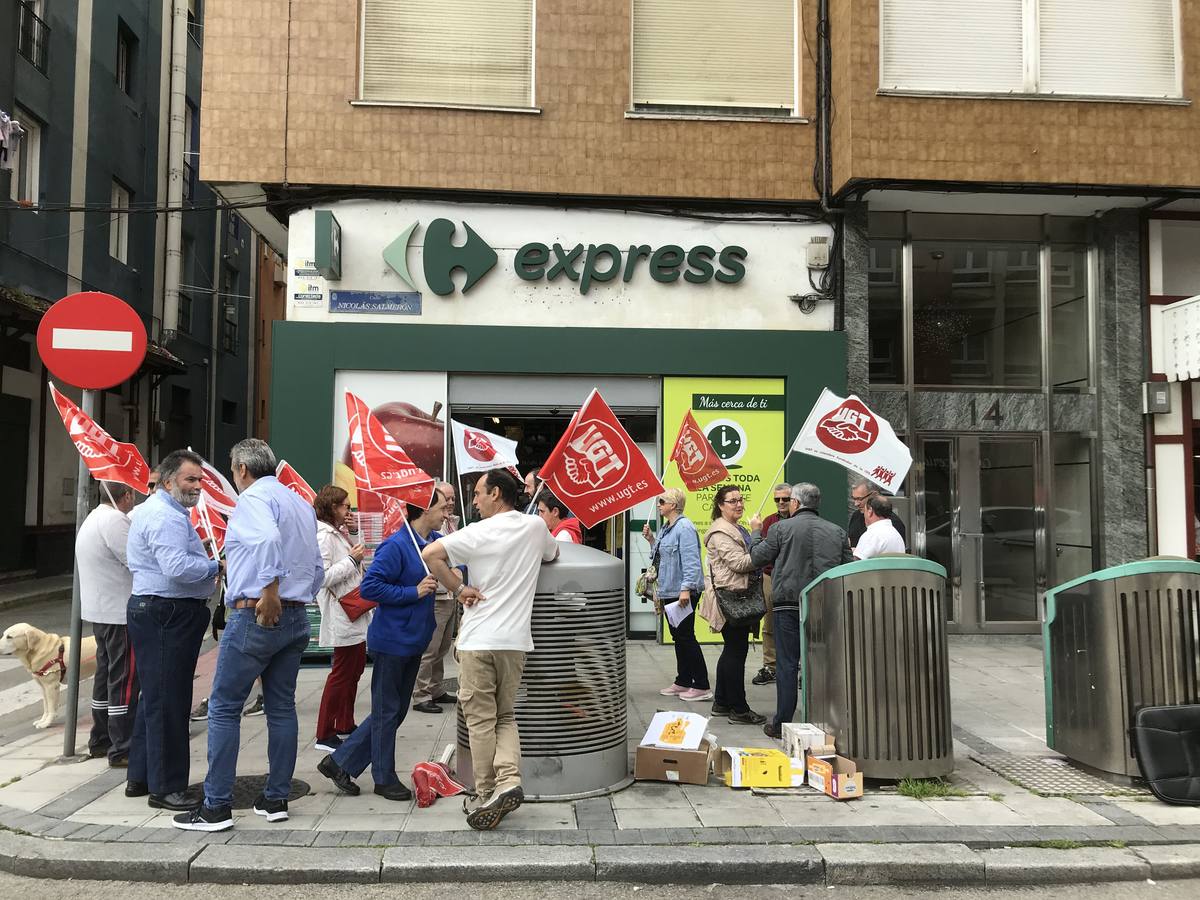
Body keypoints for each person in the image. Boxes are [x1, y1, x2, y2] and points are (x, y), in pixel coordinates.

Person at [174, 439, 323, 832]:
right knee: (281, 707)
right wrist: (293, 595)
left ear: (241, 469)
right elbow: (316, 564)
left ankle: (216, 805)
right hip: (295, 615)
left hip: (257, 613)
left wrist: (270, 591)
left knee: (224, 707)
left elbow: (268, 542)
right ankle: (276, 798)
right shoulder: (298, 502)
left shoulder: (254, 500)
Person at [422, 468, 559, 831]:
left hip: (478, 639)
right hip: (515, 643)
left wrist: (458, 588)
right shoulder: (535, 527)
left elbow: (431, 553)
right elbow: (552, 554)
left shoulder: (478, 532)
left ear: (496, 493)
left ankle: (485, 793)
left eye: (479, 494)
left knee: (481, 720)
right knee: (505, 716)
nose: (475, 502)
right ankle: (510, 781)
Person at [317, 491, 448, 800]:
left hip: (415, 638)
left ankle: (339, 762)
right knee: (388, 711)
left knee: (394, 711)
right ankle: (383, 777)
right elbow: (372, 586)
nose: (447, 512)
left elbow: (454, 565)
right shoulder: (396, 545)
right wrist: (412, 592)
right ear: (424, 510)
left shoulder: (434, 542)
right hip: (392, 641)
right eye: (443, 507)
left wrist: (456, 574)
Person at [125, 450, 221, 812]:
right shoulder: (165, 516)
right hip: (166, 612)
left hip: (160, 610)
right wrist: (215, 565)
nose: (197, 486)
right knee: (170, 700)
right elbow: (177, 567)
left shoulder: (164, 512)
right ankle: (166, 788)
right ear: (168, 481)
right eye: (190, 479)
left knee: (155, 696)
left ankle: (142, 776)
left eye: (199, 480)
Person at [748, 483, 853, 739]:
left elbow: (757, 556)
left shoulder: (780, 528)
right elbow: (848, 567)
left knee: (786, 663)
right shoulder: (837, 532)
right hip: (824, 604)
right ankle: (828, 720)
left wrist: (755, 532)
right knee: (824, 662)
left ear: (795, 503)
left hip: (789, 604)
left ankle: (782, 721)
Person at [76, 481, 136, 766]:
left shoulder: (92, 518)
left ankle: (100, 739)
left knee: (105, 677)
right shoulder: (115, 520)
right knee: (123, 680)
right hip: (119, 612)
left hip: (100, 611)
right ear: (125, 497)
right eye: (132, 495)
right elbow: (136, 559)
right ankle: (122, 746)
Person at [699, 484, 766, 726]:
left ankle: (722, 703)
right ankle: (739, 708)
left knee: (732, 650)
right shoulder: (721, 533)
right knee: (736, 653)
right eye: (732, 501)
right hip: (731, 598)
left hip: (733, 596)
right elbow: (740, 563)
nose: (739, 504)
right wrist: (757, 536)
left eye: (740, 499)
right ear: (720, 505)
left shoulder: (733, 528)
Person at [312, 485, 367, 752]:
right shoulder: (323, 535)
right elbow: (321, 577)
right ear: (332, 507)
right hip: (341, 611)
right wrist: (350, 560)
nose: (349, 510)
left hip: (353, 610)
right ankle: (325, 731)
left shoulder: (337, 533)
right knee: (342, 672)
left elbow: (359, 554)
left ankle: (345, 722)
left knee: (354, 669)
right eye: (345, 506)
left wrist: (355, 533)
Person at [642, 488, 708, 701]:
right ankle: (683, 681)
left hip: (682, 591)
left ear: (674, 504)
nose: (659, 504)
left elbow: (691, 562)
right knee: (678, 637)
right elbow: (659, 557)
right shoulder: (666, 527)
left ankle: (702, 685)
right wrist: (652, 540)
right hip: (670, 589)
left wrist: (686, 589)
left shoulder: (684, 527)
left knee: (686, 636)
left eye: (662, 501)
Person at [411, 482, 462, 715]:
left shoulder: (453, 523)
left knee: (442, 647)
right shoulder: (429, 530)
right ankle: (421, 694)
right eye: (445, 501)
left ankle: (436, 688)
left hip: (450, 593)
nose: (450, 504)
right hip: (438, 594)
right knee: (430, 649)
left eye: (452, 499)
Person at [752, 483, 792, 687]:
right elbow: (761, 552)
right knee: (769, 622)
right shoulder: (769, 521)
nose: (781, 502)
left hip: (793, 577)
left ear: (794, 499)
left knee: (796, 622)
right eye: (777, 499)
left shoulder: (798, 521)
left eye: (785, 498)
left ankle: (797, 666)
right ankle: (770, 666)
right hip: (770, 575)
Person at [848, 480, 906, 551]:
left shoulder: (893, 524)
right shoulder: (856, 516)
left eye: (859, 499)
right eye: (854, 498)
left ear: (874, 495)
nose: (856, 504)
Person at [854, 494, 906, 560]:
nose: (864, 514)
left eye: (865, 510)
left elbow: (856, 564)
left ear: (870, 510)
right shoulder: (897, 536)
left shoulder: (871, 535)